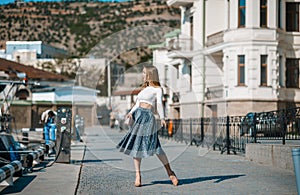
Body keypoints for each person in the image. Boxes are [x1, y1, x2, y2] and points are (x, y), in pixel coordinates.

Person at [117, 66, 178, 187]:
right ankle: (138, 175)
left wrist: (162, 118)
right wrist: (131, 112)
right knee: (136, 146)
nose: (142, 75)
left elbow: (159, 103)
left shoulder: (158, 89)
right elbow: (137, 103)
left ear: (150, 74)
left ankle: (170, 172)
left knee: (156, 147)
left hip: (148, 117)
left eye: (144, 73)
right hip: (138, 116)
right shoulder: (143, 89)